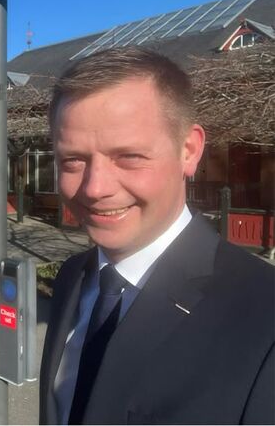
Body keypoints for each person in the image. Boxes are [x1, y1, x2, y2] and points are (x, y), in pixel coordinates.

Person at [39, 47, 274, 425]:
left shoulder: (264, 317)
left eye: (129, 156)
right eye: (73, 160)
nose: (95, 188)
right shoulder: (72, 277)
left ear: (189, 150)